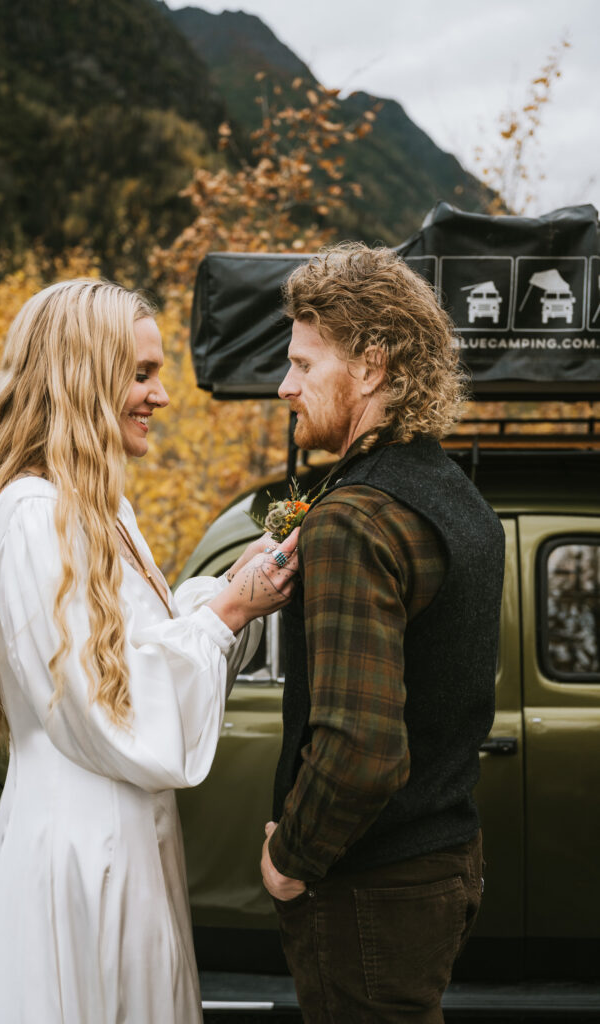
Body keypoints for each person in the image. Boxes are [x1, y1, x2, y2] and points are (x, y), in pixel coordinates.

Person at [0, 278, 298, 1024]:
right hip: (80, 850)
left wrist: (225, 590)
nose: (161, 395)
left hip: (120, 838)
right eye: (141, 374)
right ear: (80, 380)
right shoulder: (37, 516)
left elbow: (132, 645)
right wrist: (226, 612)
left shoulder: (97, 507)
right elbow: (98, 709)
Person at [260, 243, 505, 1024]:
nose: (284, 386)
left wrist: (287, 862)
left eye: (303, 364)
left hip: (371, 888)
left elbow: (362, 751)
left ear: (370, 367)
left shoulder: (357, 519)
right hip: (445, 861)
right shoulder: (452, 491)